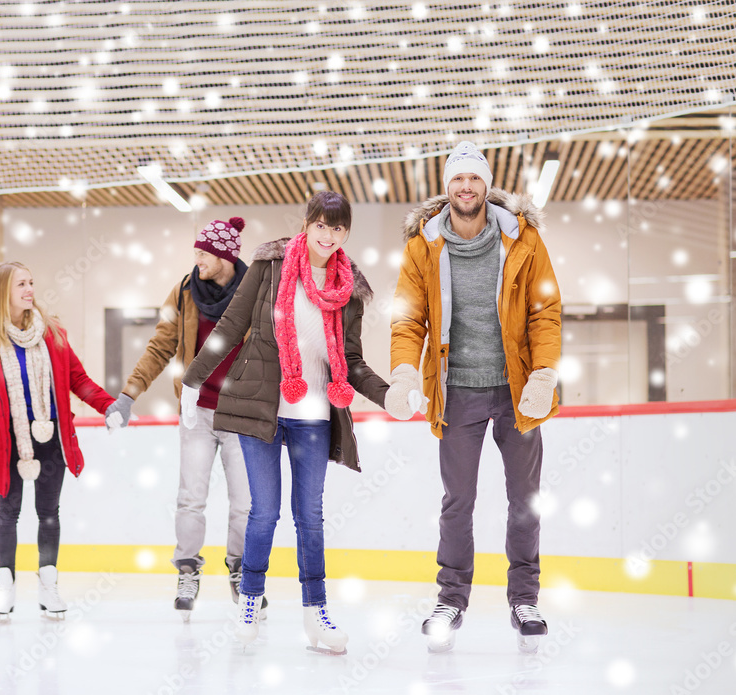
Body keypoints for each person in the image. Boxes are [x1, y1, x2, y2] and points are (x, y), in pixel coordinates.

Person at [180, 191, 389, 653]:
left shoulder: (349, 289)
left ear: (345, 233)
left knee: (309, 518)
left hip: (314, 418)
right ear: (307, 223)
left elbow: (351, 362)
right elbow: (230, 328)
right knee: (265, 513)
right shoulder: (270, 269)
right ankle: (250, 601)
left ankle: (317, 614)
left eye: (338, 228)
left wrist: (388, 394)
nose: (328, 235)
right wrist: (193, 383)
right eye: (321, 225)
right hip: (262, 412)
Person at [387, 141, 562, 653]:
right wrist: (402, 373)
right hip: (456, 389)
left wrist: (544, 374)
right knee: (457, 500)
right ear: (447, 188)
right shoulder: (423, 245)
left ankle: (524, 599)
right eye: (457, 179)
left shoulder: (522, 238)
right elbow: (407, 316)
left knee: (524, 499)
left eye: (475, 179)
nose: (466, 187)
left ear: (487, 186)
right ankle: (451, 598)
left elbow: (544, 311)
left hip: (516, 389)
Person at [104, 217, 257, 621]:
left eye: (204, 253)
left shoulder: (254, 291)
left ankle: (240, 571)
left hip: (242, 414)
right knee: (191, 498)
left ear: (225, 256)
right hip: (197, 414)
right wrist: (127, 394)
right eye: (196, 253)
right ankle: (188, 572)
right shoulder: (184, 292)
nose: (197, 260)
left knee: (244, 503)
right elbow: (159, 347)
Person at [0, 261, 116, 620]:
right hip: (9, 444)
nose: (30, 289)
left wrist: (109, 406)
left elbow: (78, 379)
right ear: (3, 291)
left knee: (49, 514)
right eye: (22, 284)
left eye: (31, 282)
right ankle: (6, 591)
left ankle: (49, 588)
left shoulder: (52, 333)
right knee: (8, 514)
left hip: (52, 440)